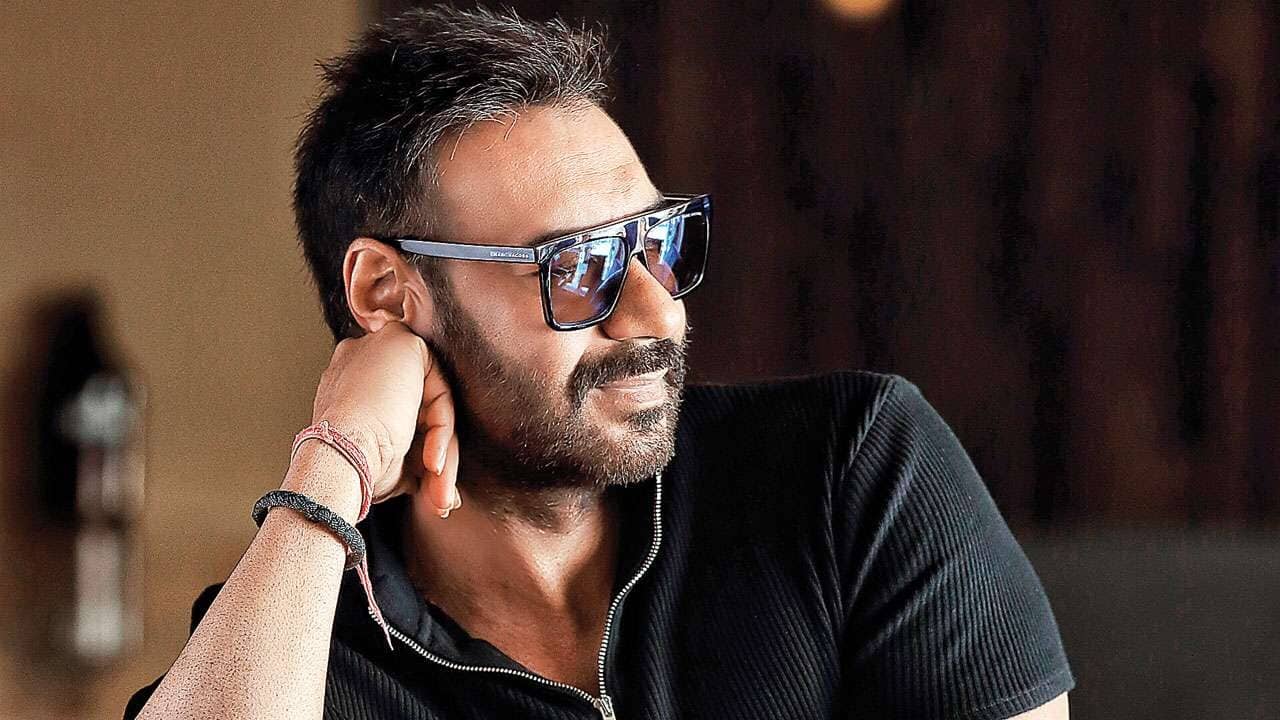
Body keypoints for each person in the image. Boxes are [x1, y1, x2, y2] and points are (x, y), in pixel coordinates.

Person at [126, 6, 1073, 719]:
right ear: (386, 293)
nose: (659, 311)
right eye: (577, 267)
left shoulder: (849, 472)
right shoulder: (295, 638)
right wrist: (331, 456)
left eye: (657, 242)